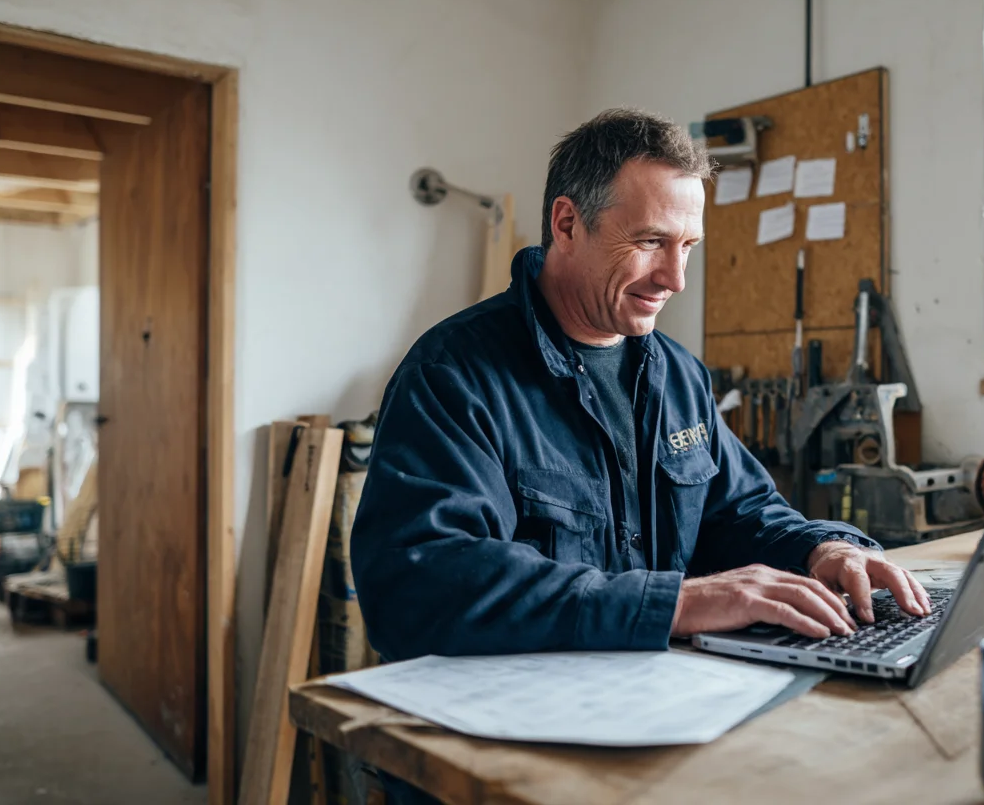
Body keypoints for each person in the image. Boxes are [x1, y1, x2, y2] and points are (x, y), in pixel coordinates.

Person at [352, 108, 930, 667]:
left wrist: (824, 548)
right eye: (651, 242)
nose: (674, 279)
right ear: (567, 224)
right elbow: (419, 585)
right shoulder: (453, 376)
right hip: (510, 721)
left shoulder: (678, 376)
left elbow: (740, 510)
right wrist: (674, 603)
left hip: (651, 694)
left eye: (689, 247)